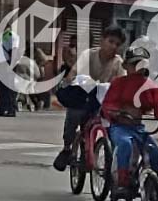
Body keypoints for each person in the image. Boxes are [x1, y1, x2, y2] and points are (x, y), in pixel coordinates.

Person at [101, 47, 158, 197]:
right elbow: (108, 105)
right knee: (125, 144)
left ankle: (150, 188)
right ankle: (122, 182)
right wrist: (115, 112)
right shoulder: (119, 83)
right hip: (120, 127)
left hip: (138, 129)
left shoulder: (151, 86)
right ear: (126, 66)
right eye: (134, 64)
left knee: (156, 154)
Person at [53, 25, 126, 171]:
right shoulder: (88, 55)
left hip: (104, 101)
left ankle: (112, 158)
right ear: (102, 40)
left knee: (114, 125)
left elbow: (123, 82)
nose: (113, 46)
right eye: (111, 41)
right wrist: (75, 80)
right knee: (74, 115)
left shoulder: (118, 62)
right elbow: (73, 74)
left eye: (117, 44)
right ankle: (67, 148)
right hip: (83, 97)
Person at [0, 24, 19, 117]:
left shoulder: (11, 35)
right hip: (1, 64)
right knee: (1, 88)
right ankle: (1, 109)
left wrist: (11, 65)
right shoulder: (1, 36)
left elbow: (14, 51)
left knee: (9, 88)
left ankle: (11, 110)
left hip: (8, 64)